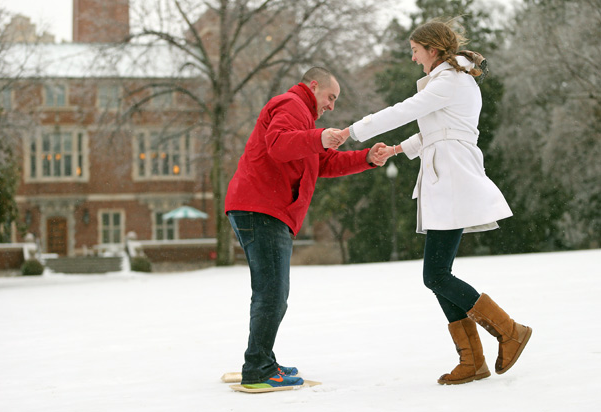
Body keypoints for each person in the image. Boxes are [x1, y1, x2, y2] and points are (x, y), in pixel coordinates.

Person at [339, 19, 532, 385]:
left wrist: (351, 131)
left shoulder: (450, 81)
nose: (413, 59)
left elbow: (405, 110)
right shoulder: (451, 82)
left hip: (453, 180)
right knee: (437, 273)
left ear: (432, 49)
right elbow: (436, 128)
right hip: (447, 178)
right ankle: (473, 359)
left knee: (436, 274)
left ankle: (509, 331)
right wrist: (398, 148)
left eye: (415, 51)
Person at [225, 67, 388, 389]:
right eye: (330, 97)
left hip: (262, 208)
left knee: (270, 293)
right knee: (272, 295)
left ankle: (262, 360)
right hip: (262, 208)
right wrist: (318, 137)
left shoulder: (303, 118)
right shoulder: (291, 104)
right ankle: (258, 368)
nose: (331, 106)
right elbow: (278, 145)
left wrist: (366, 158)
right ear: (312, 86)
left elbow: (324, 163)